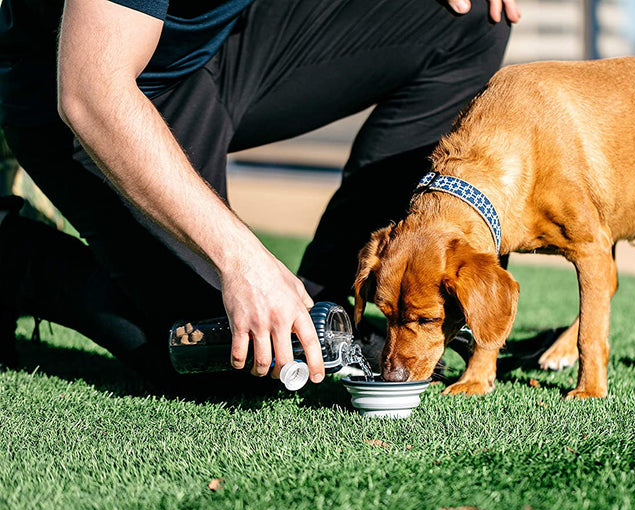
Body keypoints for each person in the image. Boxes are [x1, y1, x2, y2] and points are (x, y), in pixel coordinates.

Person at [0, 0, 518, 385]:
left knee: (471, 17)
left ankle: (327, 304)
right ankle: (21, 260)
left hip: (222, 46)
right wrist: (241, 260)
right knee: (234, 359)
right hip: (99, 96)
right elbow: (91, 93)